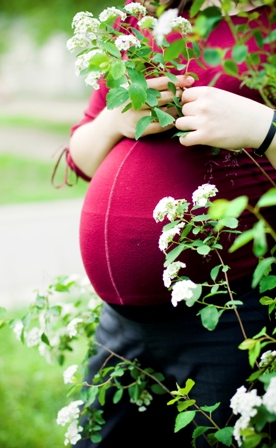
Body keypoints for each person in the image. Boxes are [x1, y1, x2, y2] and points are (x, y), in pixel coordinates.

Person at [64, 0, 276, 446]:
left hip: (230, 316)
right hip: (121, 324)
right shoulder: (143, 17)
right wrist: (113, 119)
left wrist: (264, 127)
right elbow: (81, 158)